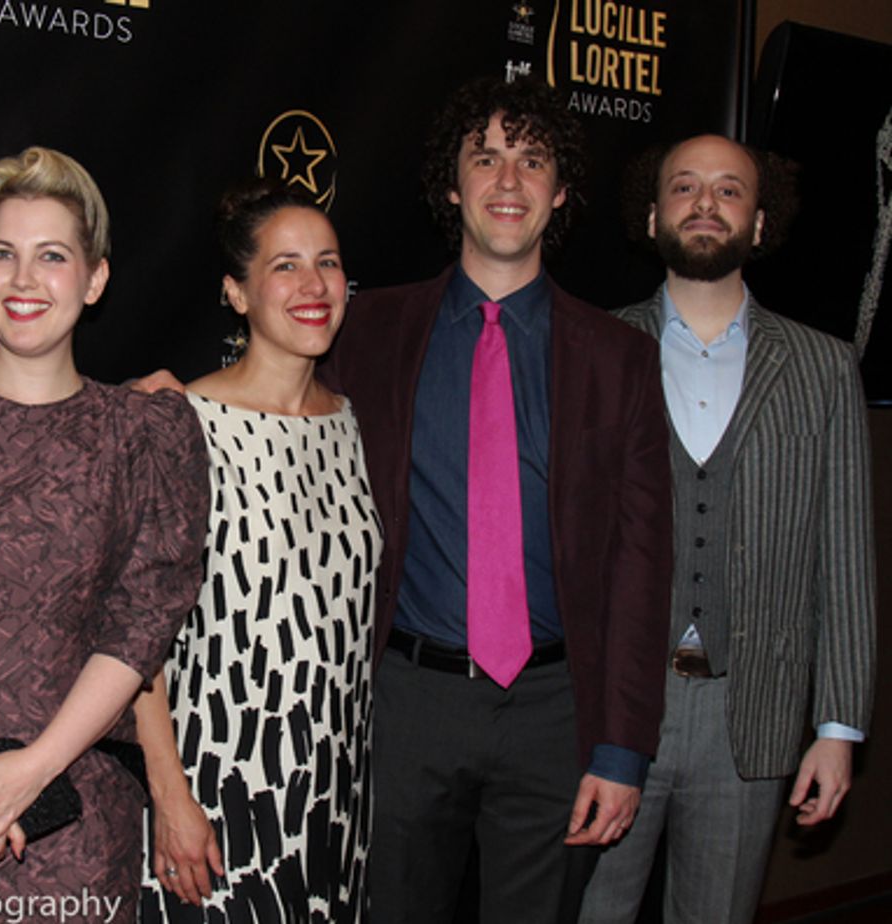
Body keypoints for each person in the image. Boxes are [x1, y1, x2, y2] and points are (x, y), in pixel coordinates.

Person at [318, 77, 673, 924]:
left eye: (532, 160)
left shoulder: (619, 357)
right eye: (486, 158)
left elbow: (640, 563)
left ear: (560, 192)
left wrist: (621, 750)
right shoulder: (367, 332)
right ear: (453, 184)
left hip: (557, 713)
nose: (508, 181)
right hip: (405, 702)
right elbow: (268, 399)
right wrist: (168, 402)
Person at [0, 146, 210, 923]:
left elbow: (141, 625)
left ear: (94, 279)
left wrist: (30, 774)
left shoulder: (145, 435)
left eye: (52, 257)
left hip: (82, 824)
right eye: (3, 254)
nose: (24, 281)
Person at [578, 135, 877, 924]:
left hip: (755, 713)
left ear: (759, 219)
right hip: (613, 707)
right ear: (651, 213)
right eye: (684, 187)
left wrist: (838, 726)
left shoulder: (823, 367)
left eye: (729, 191)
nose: (706, 203)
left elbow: (844, 557)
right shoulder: (596, 350)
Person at [133, 182, 381, 923]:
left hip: (335, 802)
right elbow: (138, 641)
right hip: (216, 791)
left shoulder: (353, 424)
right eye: (286, 266)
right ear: (236, 293)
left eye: (329, 263)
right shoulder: (183, 424)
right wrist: (169, 795)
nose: (313, 286)